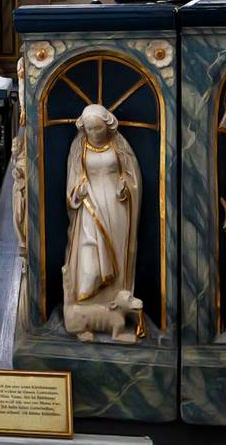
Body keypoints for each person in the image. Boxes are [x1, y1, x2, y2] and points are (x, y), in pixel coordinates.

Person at [62, 104, 141, 330]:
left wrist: (126, 187)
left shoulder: (119, 146)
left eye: (97, 128)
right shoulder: (79, 147)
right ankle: (82, 310)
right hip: (90, 208)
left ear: (107, 126)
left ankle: (112, 310)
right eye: (88, 129)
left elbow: (132, 175)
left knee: (116, 256)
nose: (93, 134)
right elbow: (72, 181)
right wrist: (77, 191)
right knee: (89, 267)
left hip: (117, 208)